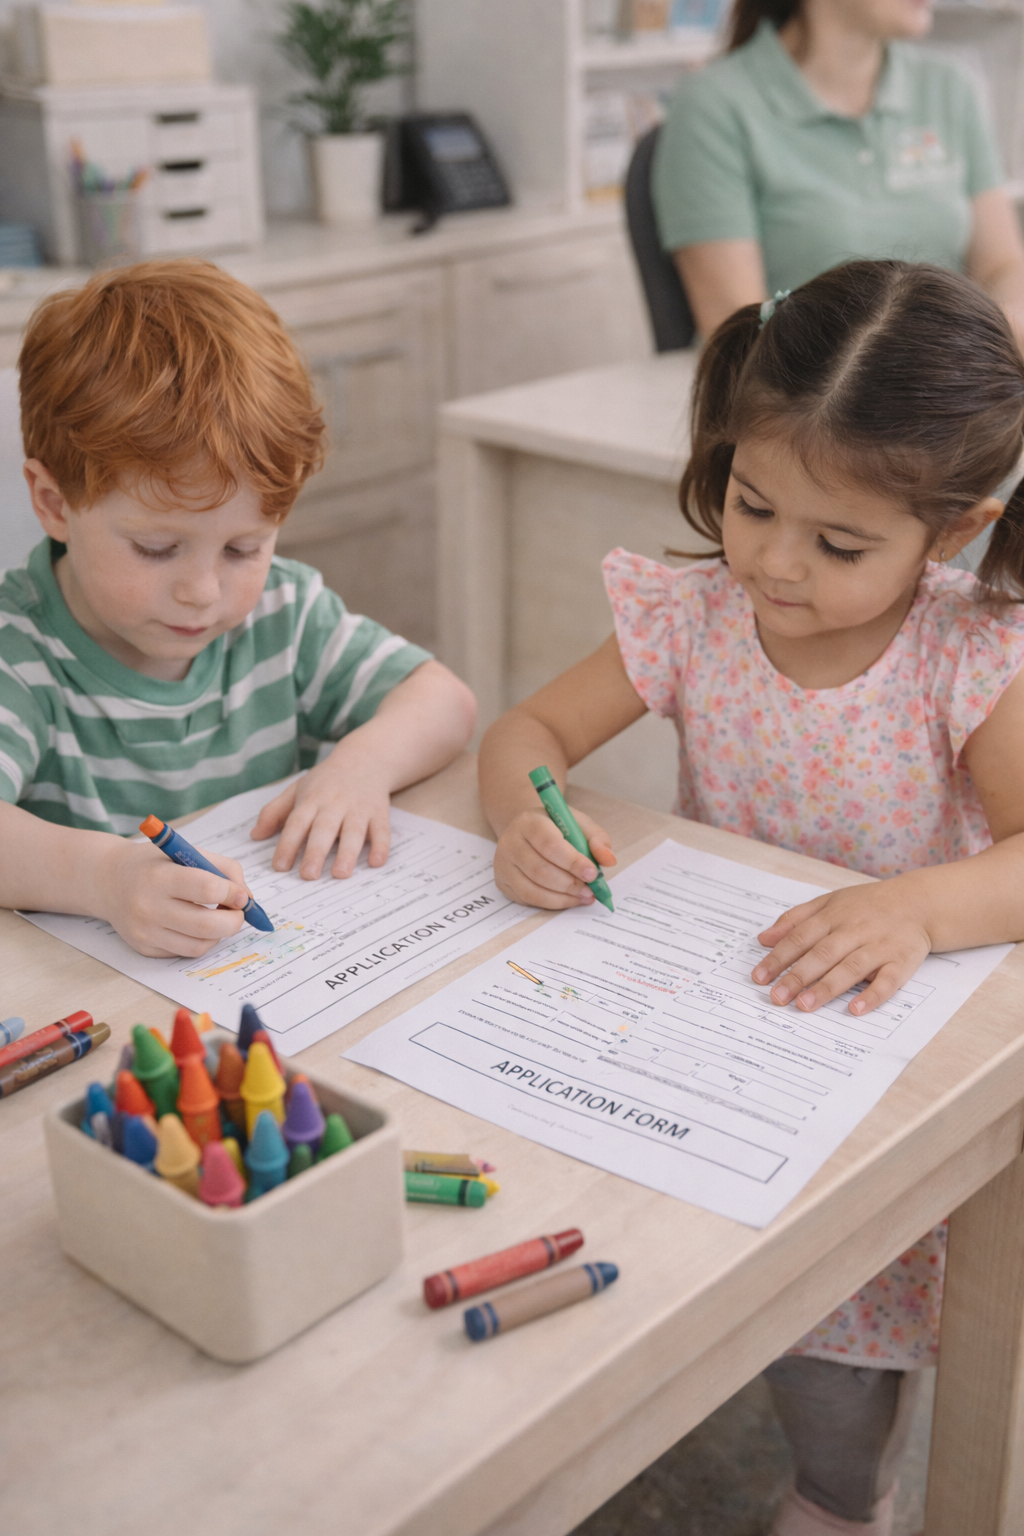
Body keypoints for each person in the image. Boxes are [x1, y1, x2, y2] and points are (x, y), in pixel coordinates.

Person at [477, 260, 1024, 1536]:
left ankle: (842, 1499)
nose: (775, 563)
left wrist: (916, 909)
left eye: (838, 543)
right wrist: (524, 815)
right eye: (750, 501)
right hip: (696, 1027)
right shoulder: (690, 614)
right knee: (669, 1276)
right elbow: (529, 730)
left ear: (951, 528)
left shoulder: (967, 650)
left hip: (865, 1063)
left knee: (835, 1369)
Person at [0, 260, 475, 958]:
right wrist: (104, 878)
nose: (203, 591)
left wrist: (362, 765)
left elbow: (446, 701)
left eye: (243, 548)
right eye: (158, 548)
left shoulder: (280, 612)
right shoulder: (22, 651)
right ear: (53, 504)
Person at [653, 0, 1024, 346]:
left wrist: (1001, 342)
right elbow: (738, 331)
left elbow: (1001, 265)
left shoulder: (950, 86)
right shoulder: (712, 106)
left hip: (950, 390)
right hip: (808, 403)